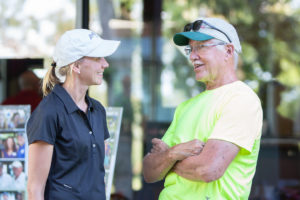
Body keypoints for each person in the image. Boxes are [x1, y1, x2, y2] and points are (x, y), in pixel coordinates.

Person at [142, 17, 263, 200]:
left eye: (201, 47)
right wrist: (174, 153)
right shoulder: (185, 107)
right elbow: (149, 171)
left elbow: (208, 169)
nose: (192, 56)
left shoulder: (241, 99)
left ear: (228, 51)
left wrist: (167, 159)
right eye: (191, 49)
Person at [26, 29, 120, 200]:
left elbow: (97, 176)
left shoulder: (98, 110)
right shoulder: (48, 112)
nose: (105, 64)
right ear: (75, 66)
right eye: (98, 58)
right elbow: (34, 189)